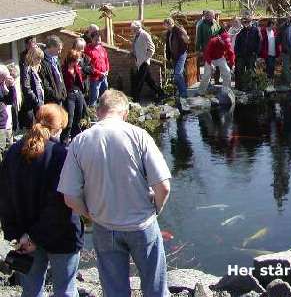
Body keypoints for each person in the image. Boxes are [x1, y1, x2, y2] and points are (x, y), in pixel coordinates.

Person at [58, 89, 171, 296]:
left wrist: (91, 215)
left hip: (104, 225)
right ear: (125, 113)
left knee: (114, 290)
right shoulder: (139, 135)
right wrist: (156, 209)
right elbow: (163, 186)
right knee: (155, 288)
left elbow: (70, 197)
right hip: (141, 224)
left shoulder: (80, 141)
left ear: (98, 111)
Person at [0, 104, 84, 297]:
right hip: (62, 236)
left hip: (25, 234)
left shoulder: (13, 153)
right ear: (59, 127)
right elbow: (62, 204)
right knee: (66, 291)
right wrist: (35, 237)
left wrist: (17, 233)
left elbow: (5, 197)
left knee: (31, 291)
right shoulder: (61, 155)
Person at [131, 20, 166, 102]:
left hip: (144, 62)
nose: (132, 30)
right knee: (150, 81)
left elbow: (152, 48)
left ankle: (135, 100)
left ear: (137, 28)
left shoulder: (144, 35)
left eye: (133, 28)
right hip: (139, 62)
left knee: (138, 82)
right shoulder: (136, 35)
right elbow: (137, 47)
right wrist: (133, 52)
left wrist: (146, 59)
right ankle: (161, 94)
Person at [198, 26, 234, 95]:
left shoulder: (227, 43)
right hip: (210, 59)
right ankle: (201, 92)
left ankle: (226, 91)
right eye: (224, 43)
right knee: (206, 75)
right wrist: (210, 64)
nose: (225, 45)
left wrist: (232, 64)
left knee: (227, 72)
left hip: (220, 58)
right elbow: (207, 54)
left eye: (226, 43)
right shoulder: (213, 41)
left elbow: (231, 53)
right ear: (220, 39)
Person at [61, 50, 86, 144]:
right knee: (70, 118)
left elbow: (81, 80)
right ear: (72, 60)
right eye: (77, 59)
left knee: (79, 116)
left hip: (78, 93)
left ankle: (76, 139)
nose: (79, 60)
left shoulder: (77, 68)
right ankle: (64, 139)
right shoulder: (63, 69)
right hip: (69, 95)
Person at [164, 18, 189, 103]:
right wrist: (168, 57)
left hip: (181, 54)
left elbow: (186, 41)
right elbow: (168, 46)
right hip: (174, 56)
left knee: (178, 73)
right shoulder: (168, 33)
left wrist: (185, 35)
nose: (166, 26)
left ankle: (184, 94)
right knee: (178, 75)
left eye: (167, 24)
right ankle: (180, 92)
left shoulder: (178, 30)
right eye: (166, 25)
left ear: (171, 23)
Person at [234, 13, 261, 91]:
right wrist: (237, 54)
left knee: (251, 71)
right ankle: (240, 88)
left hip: (251, 55)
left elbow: (259, 43)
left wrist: (255, 53)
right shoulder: (241, 32)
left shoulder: (255, 30)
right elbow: (237, 44)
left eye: (247, 22)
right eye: (244, 22)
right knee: (240, 72)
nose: (245, 23)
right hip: (241, 56)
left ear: (250, 22)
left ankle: (252, 87)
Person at [84, 25, 110, 106]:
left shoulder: (101, 48)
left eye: (99, 38)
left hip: (104, 76)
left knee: (105, 96)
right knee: (94, 98)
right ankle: (93, 114)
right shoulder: (88, 50)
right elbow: (89, 66)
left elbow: (106, 60)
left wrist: (107, 71)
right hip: (95, 78)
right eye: (96, 39)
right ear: (91, 39)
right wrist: (99, 73)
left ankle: (103, 110)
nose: (98, 40)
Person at [20, 46, 45, 128]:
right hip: (31, 105)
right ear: (32, 56)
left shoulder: (36, 68)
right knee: (33, 128)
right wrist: (36, 100)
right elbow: (26, 88)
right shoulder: (27, 68)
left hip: (39, 103)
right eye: (38, 58)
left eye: (41, 59)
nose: (39, 61)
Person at [39, 35, 67, 106]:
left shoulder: (56, 58)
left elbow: (60, 76)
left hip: (60, 94)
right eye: (58, 49)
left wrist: (63, 91)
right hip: (51, 99)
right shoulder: (42, 61)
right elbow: (45, 83)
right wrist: (55, 95)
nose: (60, 52)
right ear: (51, 47)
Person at [0, 65, 16, 157]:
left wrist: (12, 86)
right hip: (1, 125)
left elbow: (11, 101)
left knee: (8, 150)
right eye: (3, 77)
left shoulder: (3, 86)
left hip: (5, 124)